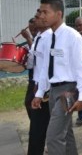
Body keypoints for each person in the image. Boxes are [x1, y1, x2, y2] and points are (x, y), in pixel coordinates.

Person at [31, 0, 82, 155]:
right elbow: (45, 68)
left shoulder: (73, 37)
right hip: (54, 91)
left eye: (45, 12)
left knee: (54, 136)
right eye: (40, 12)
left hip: (68, 91)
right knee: (66, 132)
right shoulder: (47, 38)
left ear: (58, 14)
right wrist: (40, 92)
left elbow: (81, 68)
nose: (41, 16)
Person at [26, 10, 52, 155]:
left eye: (37, 17)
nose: (35, 20)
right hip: (38, 85)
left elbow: (48, 68)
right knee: (37, 129)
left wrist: (41, 91)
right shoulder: (39, 37)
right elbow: (34, 64)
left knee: (39, 128)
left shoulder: (49, 38)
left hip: (45, 89)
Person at [21, 18, 37, 119]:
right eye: (31, 30)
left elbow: (37, 55)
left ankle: (37, 128)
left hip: (39, 78)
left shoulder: (42, 39)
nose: (32, 32)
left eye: (34, 29)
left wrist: (28, 39)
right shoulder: (32, 41)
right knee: (28, 103)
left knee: (31, 103)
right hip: (32, 76)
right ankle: (35, 126)